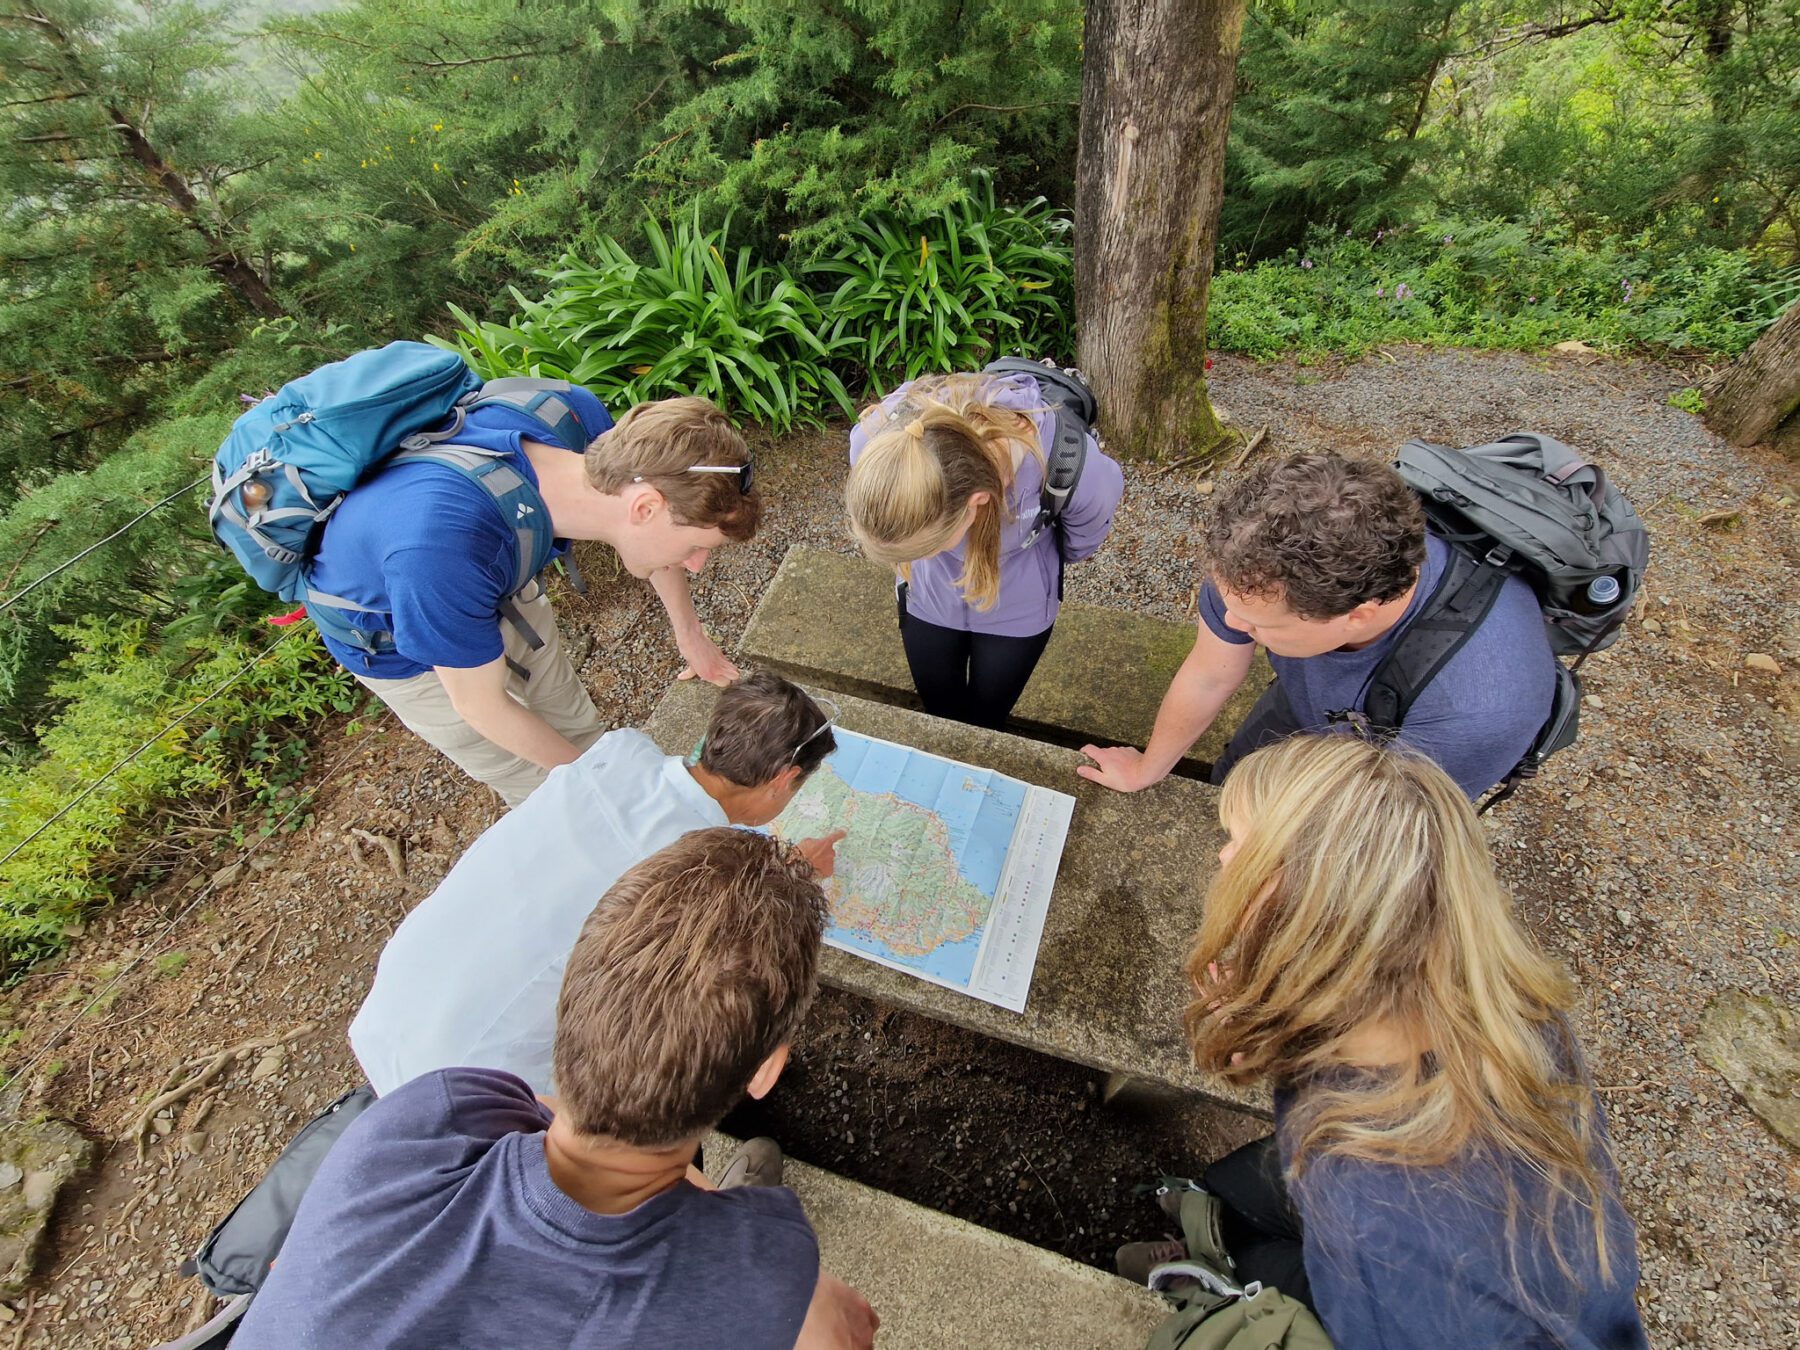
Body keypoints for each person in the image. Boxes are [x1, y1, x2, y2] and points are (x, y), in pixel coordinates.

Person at [233, 828, 878, 1350]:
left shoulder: (425, 1115)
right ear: (767, 1069)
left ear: (573, 994)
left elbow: (544, 1118)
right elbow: (848, 1327)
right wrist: (789, 1292)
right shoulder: (768, 1268)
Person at [1119, 734, 1647, 1348]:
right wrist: (1280, 1015)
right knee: (1234, 1184)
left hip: (1404, 1300)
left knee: (1263, 1265)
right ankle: (1217, 1228)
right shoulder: (1506, 1001)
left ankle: (1215, 1274)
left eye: (1239, 843)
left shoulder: (1372, 1208)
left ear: (1301, 905)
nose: (1222, 857)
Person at [350, 669, 842, 1096]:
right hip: (472, 1071)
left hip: (396, 1001)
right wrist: (794, 876)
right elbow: (703, 994)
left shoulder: (620, 752)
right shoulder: (709, 868)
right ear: (783, 778)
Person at [305, 389, 759, 806]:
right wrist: (598, 785)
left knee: (575, 721)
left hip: (502, 582)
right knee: (543, 787)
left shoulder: (573, 415)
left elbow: (652, 540)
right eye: (696, 547)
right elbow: (481, 706)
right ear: (644, 507)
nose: (696, 564)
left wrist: (691, 634)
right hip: (410, 649)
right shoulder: (442, 547)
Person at [1078, 451, 1557, 800]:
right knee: (1236, 779)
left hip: (1389, 765)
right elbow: (1210, 673)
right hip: (1306, 707)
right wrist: (1148, 768)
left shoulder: (1479, 709)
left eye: (1263, 627)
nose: (1231, 622)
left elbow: (1387, 832)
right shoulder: (1251, 572)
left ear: (1359, 615)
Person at [845, 369, 1124, 729]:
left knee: (987, 721)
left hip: (1018, 611)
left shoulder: (1070, 465)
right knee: (940, 713)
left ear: (975, 503)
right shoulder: (875, 441)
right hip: (927, 601)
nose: (912, 559)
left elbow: (1081, 540)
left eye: (924, 548)